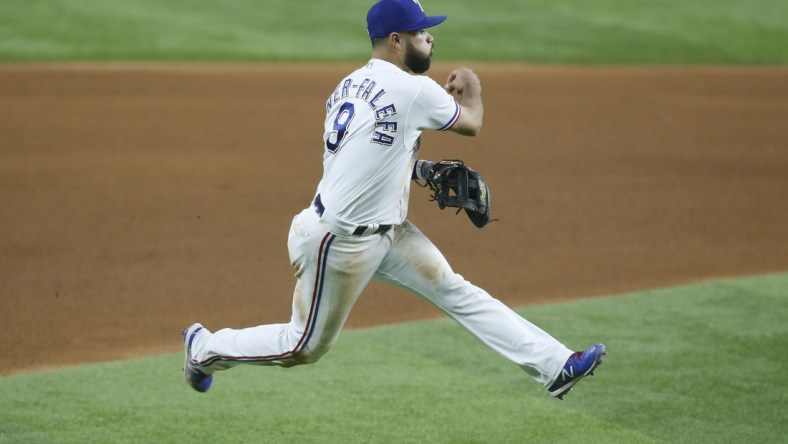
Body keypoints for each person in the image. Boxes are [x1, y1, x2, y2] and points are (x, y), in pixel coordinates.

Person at [183, 0, 606, 400]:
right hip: (339, 243)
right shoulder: (414, 91)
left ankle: (556, 366)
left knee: (455, 289)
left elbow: (369, 153)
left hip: (385, 232)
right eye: (421, 32)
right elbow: (472, 123)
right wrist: (473, 87)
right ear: (396, 40)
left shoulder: (348, 84)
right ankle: (203, 348)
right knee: (303, 347)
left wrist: (423, 169)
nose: (431, 39)